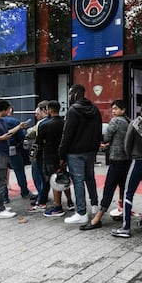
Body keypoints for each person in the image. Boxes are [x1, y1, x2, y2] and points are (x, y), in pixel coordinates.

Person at [111, 99, 142, 238]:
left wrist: (130, 155)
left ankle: (126, 227)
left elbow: (127, 143)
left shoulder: (135, 123)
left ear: (141, 110)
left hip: (137, 161)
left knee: (128, 192)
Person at [80, 100, 131, 230]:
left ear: (123, 110)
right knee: (123, 187)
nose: (113, 111)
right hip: (126, 159)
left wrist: (106, 142)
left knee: (109, 187)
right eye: (112, 109)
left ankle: (97, 218)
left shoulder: (115, 121)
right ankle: (124, 212)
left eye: (116, 109)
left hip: (116, 159)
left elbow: (107, 137)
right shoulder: (128, 121)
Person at [61, 84, 102, 224]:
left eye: (70, 93)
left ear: (75, 94)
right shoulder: (95, 110)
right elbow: (98, 132)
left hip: (75, 152)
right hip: (90, 151)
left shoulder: (73, 111)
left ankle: (81, 212)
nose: (69, 96)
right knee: (90, 178)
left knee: (78, 181)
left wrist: (62, 153)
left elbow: (67, 134)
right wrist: (95, 149)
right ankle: (95, 206)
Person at [37, 100, 74, 217]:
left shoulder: (45, 125)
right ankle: (69, 201)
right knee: (64, 176)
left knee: (54, 180)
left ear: (51, 110)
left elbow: (39, 141)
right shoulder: (65, 123)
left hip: (50, 156)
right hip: (64, 155)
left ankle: (58, 207)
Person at [3, 106, 35, 201]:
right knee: (19, 172)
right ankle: (25, 192)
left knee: (2, 174)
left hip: (0, 150)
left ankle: (4, 197)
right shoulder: (14, 121)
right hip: (13, 149)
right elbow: (21, 136)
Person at [27, 100, 49, 209]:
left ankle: (41, 198)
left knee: (39, 175)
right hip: (48, 153)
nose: (36, 115)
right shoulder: (54, 120)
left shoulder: (41, 123)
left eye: (37, 113)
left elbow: (31, 133)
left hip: (39, 153)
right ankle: (42, 196)